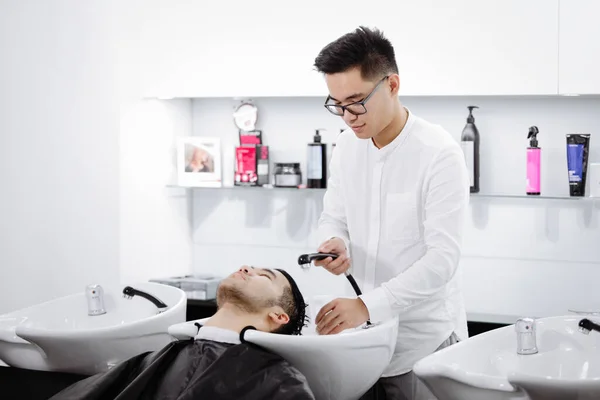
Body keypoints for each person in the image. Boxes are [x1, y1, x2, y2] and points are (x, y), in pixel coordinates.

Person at [311, 26, 470, 400]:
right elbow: (333, 217)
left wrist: (366, 306)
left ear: (393, 85)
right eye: (336, 104)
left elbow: (442, 260)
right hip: (364, 345)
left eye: (356, 101)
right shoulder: (346, 147)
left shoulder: (439, 154)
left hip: (423, 343)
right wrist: (334, 242)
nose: (347, 116)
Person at [50, 266, 315, 400]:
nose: (247, 268)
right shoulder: (156, 358)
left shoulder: (279, 384)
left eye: (264, 276)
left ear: (279, 316)